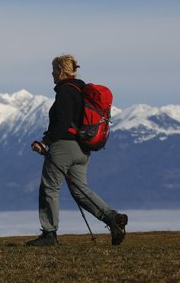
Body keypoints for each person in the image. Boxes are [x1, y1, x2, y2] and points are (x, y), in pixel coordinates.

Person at [26, 54, 128, 246]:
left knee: (49, 188)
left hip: (64, 146)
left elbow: (62, 122)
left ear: (60, 71)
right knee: (81, 191)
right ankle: (113, 219)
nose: (52, 75)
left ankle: (49, 233)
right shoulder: (82, 90)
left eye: (53, 71)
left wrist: (45, 142)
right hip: (82, 149)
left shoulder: (65, 92)